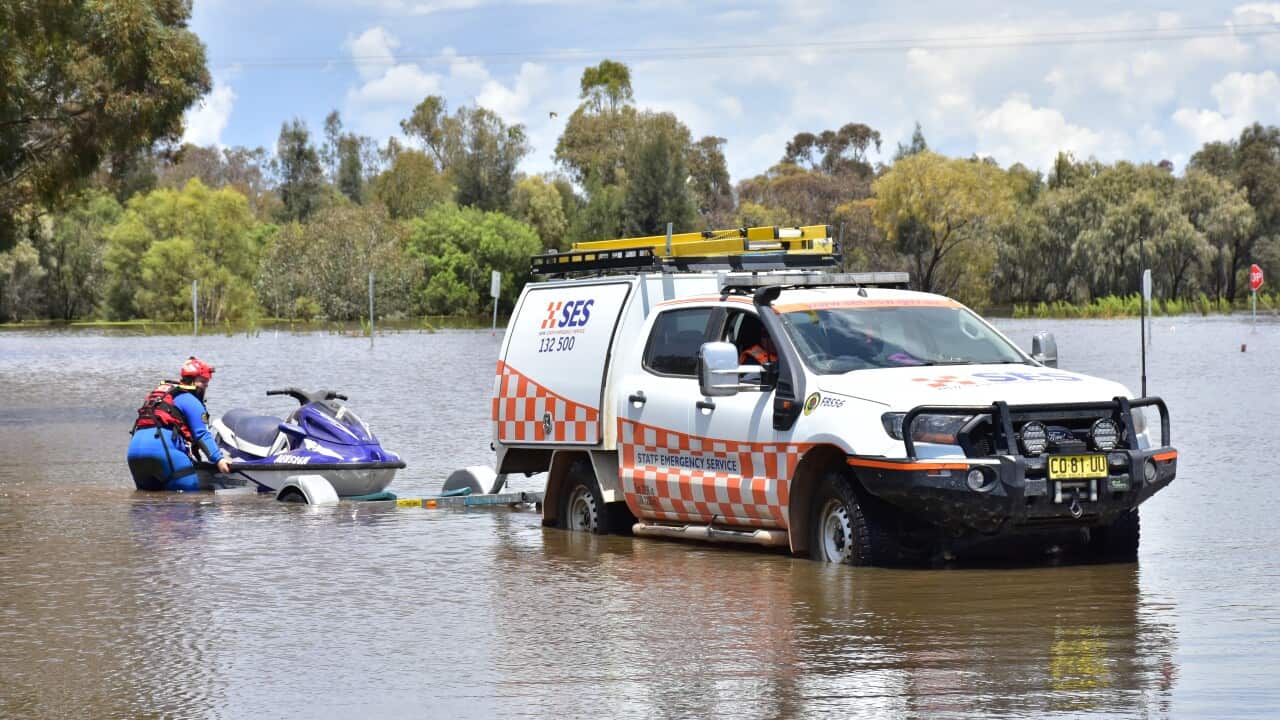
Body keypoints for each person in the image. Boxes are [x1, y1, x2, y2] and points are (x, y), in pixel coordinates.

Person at [127, 356, 231, 492]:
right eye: (203, 382)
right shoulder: (190, 400)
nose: (205, 386)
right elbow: (202, 434)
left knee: (147, 504)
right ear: (192, 381)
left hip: (134, 453)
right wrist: (219, 460)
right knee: (188, 502)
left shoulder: (161, 396)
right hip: (162, 450)